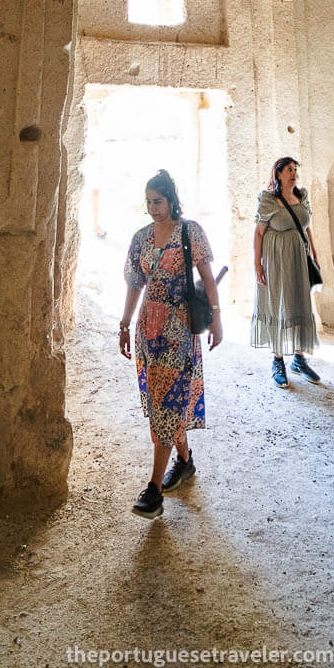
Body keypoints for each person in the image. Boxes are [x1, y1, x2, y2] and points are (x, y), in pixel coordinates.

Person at [119, 168, 222, 519]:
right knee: (161, 404)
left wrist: (217, 319)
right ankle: (186, 462)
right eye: (148, 202)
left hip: (179, 333)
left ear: (172, 199)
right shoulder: (141, 238)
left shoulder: (189, 231)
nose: (152, 208)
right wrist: (123, 323)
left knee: (167, 405)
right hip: (148, 330)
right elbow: (134, 284)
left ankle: (154, 490)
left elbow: (208, 278)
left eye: (158, 202)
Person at [251, 156, 322, 387]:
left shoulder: (302, 196)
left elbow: (306, 227)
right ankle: (278, 360)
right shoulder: (268, 199)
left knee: (300, 303)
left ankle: (299, 359)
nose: (293, 173)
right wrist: (258, 264)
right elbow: (259, 233)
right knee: (277, 304)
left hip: (299, 258)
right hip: (275, 259)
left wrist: (315, 253)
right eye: (289, 169)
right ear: (278, 173)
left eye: (295, 170)